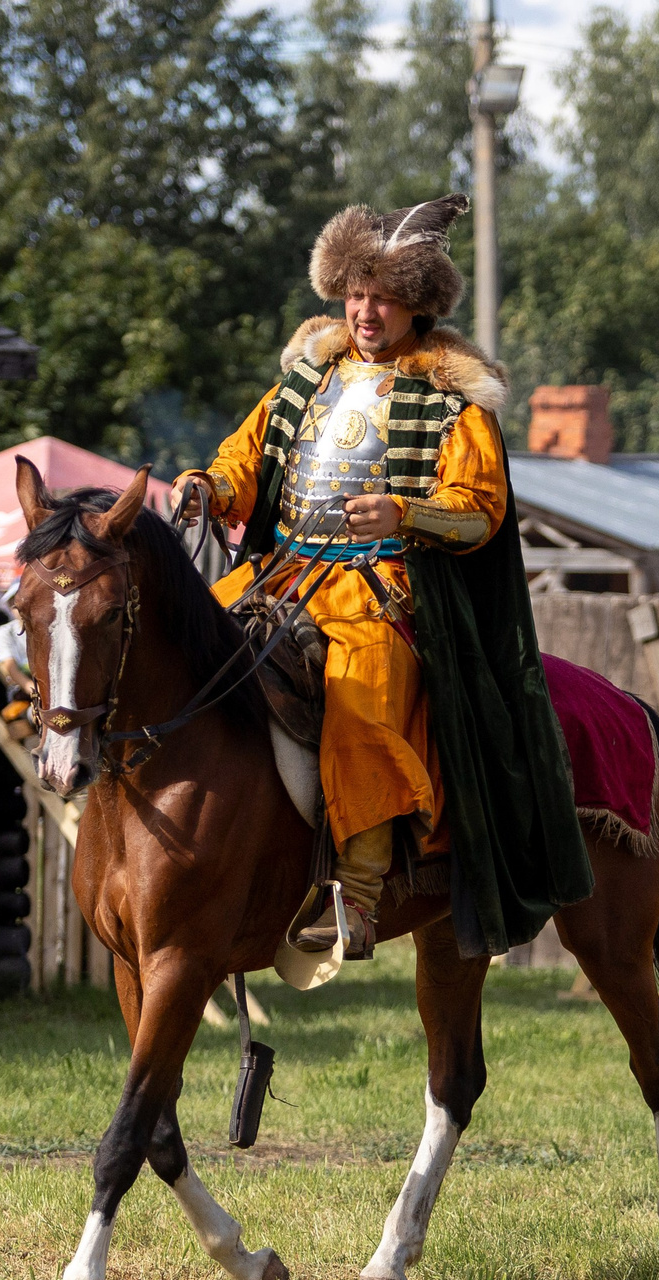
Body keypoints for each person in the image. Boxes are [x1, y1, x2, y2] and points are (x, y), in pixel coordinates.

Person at [180, 192, 587, 960]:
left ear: (418, 305)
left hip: (378, 594)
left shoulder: (453, 400)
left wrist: (403, 514)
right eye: (357, 294)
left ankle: (358, 894)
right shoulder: (306, 379)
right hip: (276, 576)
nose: (366, 312)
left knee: (361, 696)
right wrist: (210, 485)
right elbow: (247, 461)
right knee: (188, 646)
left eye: (386, 298)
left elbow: (480, 512)